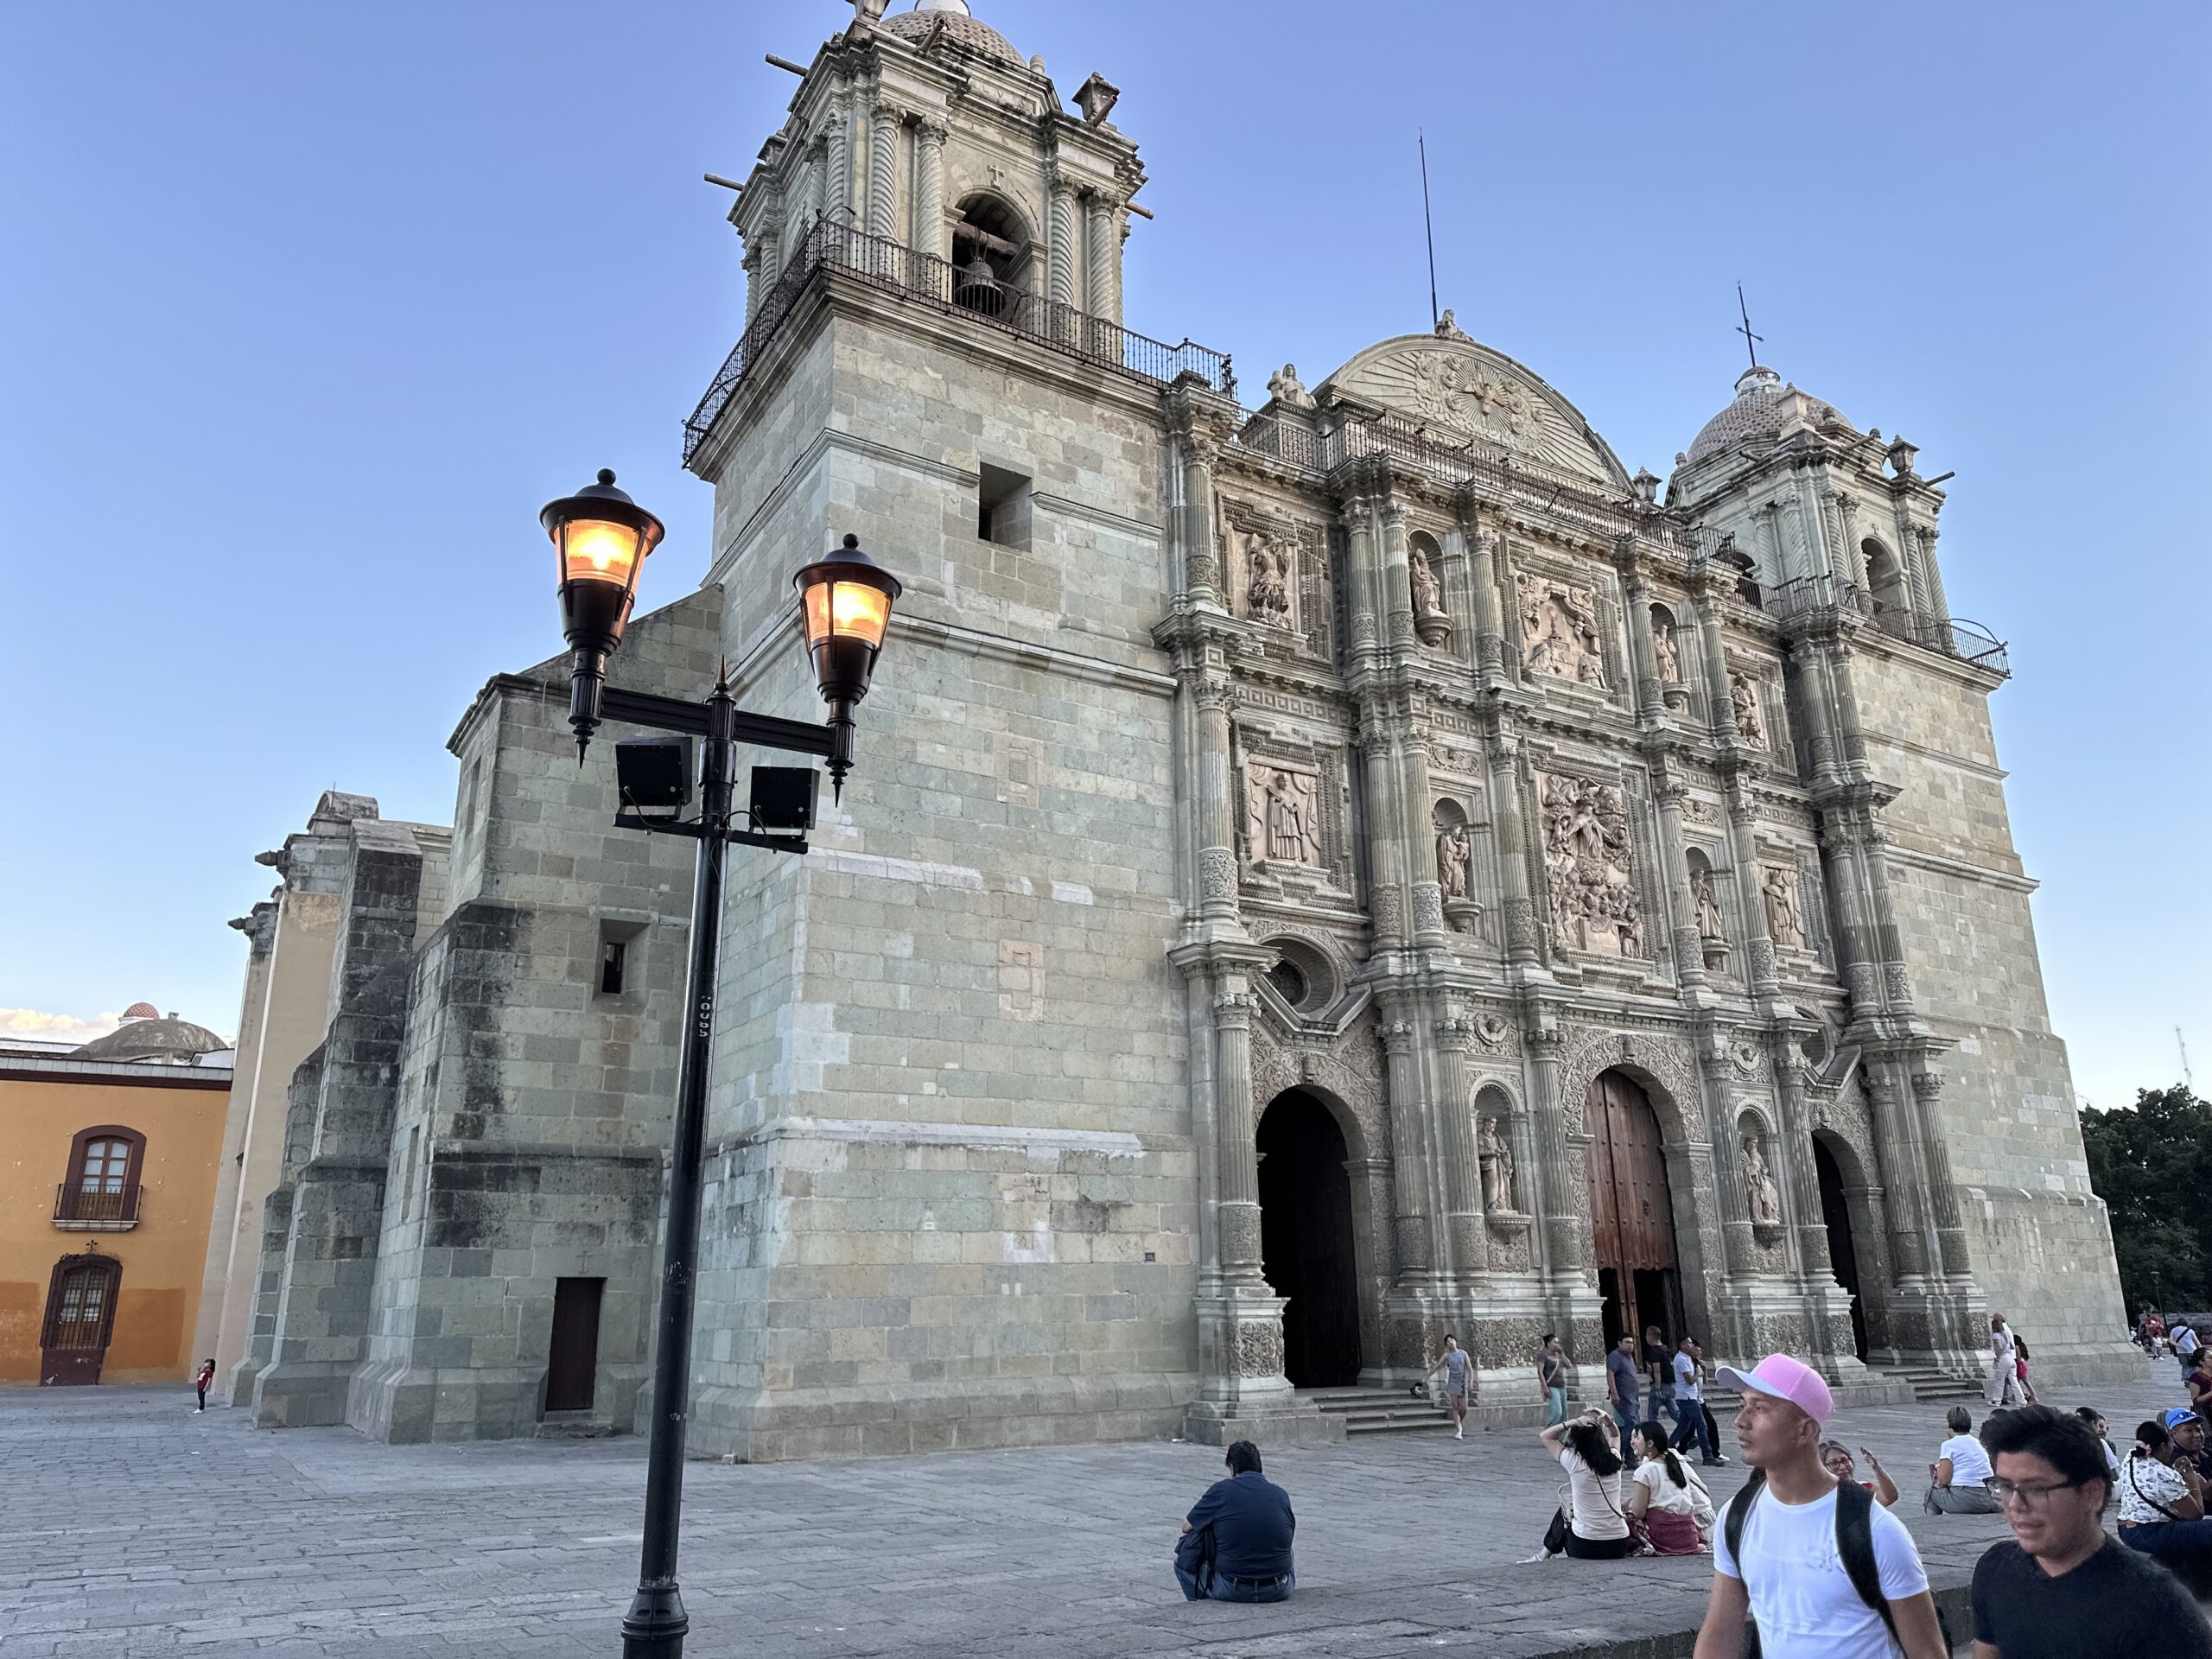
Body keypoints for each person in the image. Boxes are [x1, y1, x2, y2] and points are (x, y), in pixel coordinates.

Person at [1694, 1352, 1947, 1659]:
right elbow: (1721, 1630)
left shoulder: (1875, 1529)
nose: (1741, 1420)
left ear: (1805, 1430)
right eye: (1743, 1405)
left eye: (1759, 1408)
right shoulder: (1737, 1516)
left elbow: (1928, 1652)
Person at [1967, 1404, 2212, 1659]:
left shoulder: (2157, 1606)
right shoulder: (1996, 1571)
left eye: (2036, 1489)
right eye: (2005, 1487)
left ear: (2092, 1493)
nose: (2015, 1505)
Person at [1175, 1440, 1294, 1603]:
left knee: (1182, 1562)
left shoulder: (1222, 1490)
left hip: (1233, 1587)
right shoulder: (1281, 1494)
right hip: (1279, 1588)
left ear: (1232, 1467)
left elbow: (1186, 1527)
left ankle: (1200, 1606)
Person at [2114, 1419, 2212, 1581]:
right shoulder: (2164, 1474)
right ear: (2164, 1446)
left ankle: (2171, 1566)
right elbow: (2196, 1515)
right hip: (2150, 1532)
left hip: (2126, 1530)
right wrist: (2192, 1480)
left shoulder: (2131, 1457)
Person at [1541, 1405, 1633, 1559]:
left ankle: (1543, 1555)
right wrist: (1608, 1420)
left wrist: (1572, 1422)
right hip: (1619, 1544)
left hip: (1586, 1546)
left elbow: (1546, 1436)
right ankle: (1543, 1555)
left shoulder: (1575, 1463)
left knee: (1565, 1509)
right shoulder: (1615, 1459)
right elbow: (1615, 1437)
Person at [1630, 1421, 1716, 1554]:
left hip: (1663, 1538)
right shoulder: (1675, 1462)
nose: (1633, 1442)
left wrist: (1630, 1505)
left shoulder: (1645, 1470)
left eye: (1637, 1437)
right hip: (1689, 1537)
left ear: (1650, 1444)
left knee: (1627, 1523)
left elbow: (1638, 1513)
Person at [1927, 1404, 2002, 1514]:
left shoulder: (1949, 1445)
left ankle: (1932, 1523)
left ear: (1949, 1424)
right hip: (1988, 1497)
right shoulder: (1978, 1443)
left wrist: (1938, 1471)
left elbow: (1944, 1480)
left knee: (1932, 1494)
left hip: (1966, 1498)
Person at [1672, 1336, 1724, 1465]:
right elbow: (1689, 1380)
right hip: (1687, 1397)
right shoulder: (1682, 1360)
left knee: (1683, 1426)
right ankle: (1707, 1455)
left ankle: (1668, 1448)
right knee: (1702, 1425)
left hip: (1690, 1396)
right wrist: (1697, 1372)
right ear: (1683, 1345)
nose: (1692, 1346)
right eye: (1689, 1343)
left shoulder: (1687, 1359)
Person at [1821, 1441, 1900, 1507]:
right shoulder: (1815, 1496)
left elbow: (1889, 1498)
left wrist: (1877, 1468)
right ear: (1821, 1468)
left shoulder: (1862, 1490)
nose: (1842, 1467)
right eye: (1833, 1463)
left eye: (1844, 1460)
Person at [1606, 1333, 1644, 1465]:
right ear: (1619, 1343)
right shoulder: (1615, 1356)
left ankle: (1630, 1458)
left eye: (1632, 1343)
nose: (1630, 1345)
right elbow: (1610, 1374)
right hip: (1624, 1398)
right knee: (1631, 1425)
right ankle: (1617, 1455)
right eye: (1627, 1342)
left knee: (1635, 1427)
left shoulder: (1629, 1358)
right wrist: (1614, 1392)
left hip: (1633, 1398)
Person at [1426, 1333, 1471, 1440]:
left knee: (1464, 1408)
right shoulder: (1447, 1355)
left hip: (1462, 1381)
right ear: (1446, 1345)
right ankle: (1459, 1430)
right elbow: (1437, 1366)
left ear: (1455, 1341)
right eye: (1448, 1341)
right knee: (1455, 1407)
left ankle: (1458, 1421)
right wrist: (1428, 1376)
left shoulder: (1463, 1353)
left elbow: (1470, 1368)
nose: (1450, 1342)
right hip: (1452, 1382)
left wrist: (1470, 1381)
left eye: (1452, 1340)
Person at [2164, 1406, 2212, 1484]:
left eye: (2198, 1430)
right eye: (2189, 1430)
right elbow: (2202, 1490)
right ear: (2173, 1435)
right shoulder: (2176, 1461)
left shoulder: (2206, 1452)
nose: (2197, 1435)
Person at [1643, 1324, 1675, 1427]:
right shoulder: (1666, 1349)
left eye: (1647, 1335)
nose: (1646, 1338)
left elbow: (1657, 1370)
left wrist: (1657, 1388)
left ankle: (1652, 1435)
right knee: (1674, 1412)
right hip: (1670, 1385)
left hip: (1660, 1385)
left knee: (1652, 1414)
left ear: (1651, 1336)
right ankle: (1691, 1434)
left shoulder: (1654, 1351)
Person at [1987, 1314, 2024, 1408]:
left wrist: (1998, 1357)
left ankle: (1996, 1400)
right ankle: (2021, 1400)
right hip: (2011, 1358)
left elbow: (1998, 1348)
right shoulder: (2006, 1333)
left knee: (2000, 1381)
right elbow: (2011, 1346)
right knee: (2014, 1381)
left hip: (2003, 1358)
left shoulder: (1995, 1336)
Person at [2073, 1407, 2121, 1477]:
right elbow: (2114, 1476)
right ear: (2093, 1423)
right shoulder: (2100, 1444)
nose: (2099, 1429)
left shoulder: (2063, 1441)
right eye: (2098, 1425)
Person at [1538, 1332, 1567, 1427]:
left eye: (1558, 1343)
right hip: (1552, 1386)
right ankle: (1549, 1432)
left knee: (1564, 1414)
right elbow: (1540, 1371)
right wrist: (1545, 1388)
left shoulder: (1558, 1355)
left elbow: (1568, 1365)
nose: (1557, 1345)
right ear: (1548, 1343)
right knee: (1557, 1412)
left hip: (1561, 1385)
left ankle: (1561, 1438)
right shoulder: (1543, 1355)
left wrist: (1562, 1354)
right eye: (1555, 1342)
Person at [2012, 1335, 2039, 1404]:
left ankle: (2034, 1397)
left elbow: (2017, 1358)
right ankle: (2017, 1396)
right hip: (2020, 1365)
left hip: (2019, 1366)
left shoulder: (2016, 1347)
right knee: (2017, 1383)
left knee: (2025, 1382)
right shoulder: (2019, 1347)